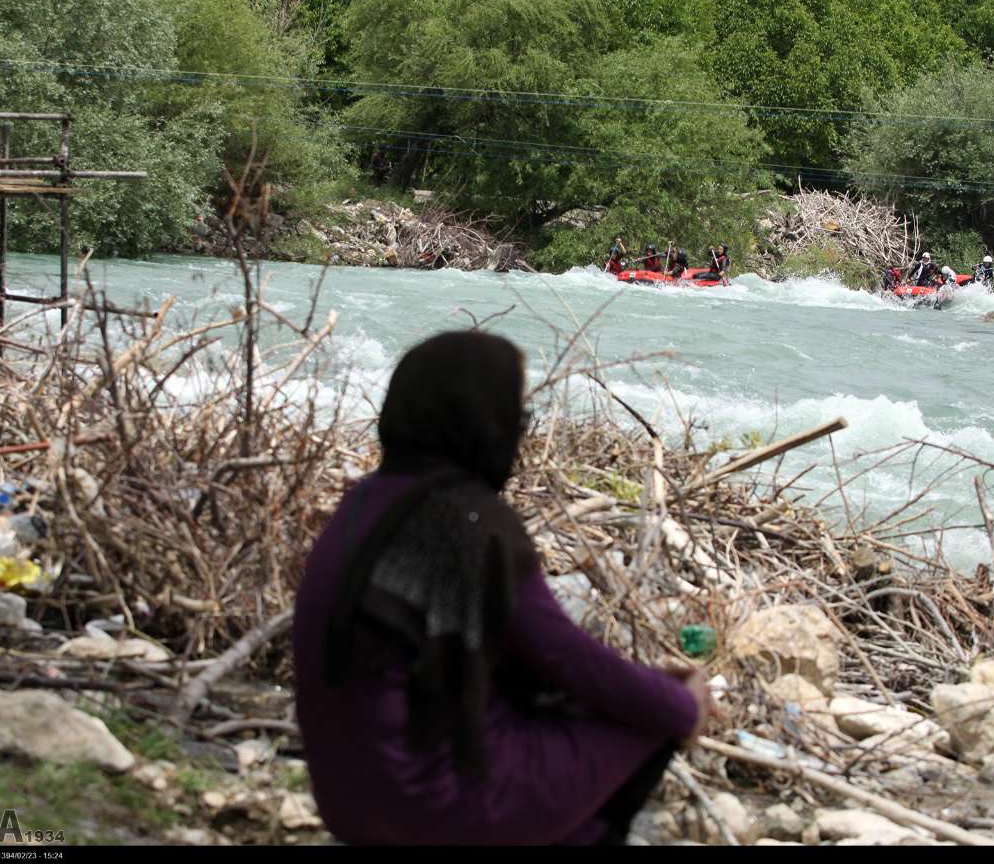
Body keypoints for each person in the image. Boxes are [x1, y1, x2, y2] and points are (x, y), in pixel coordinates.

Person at [293, 331, 715, 845]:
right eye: (516, 419)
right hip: (433, 808)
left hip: (348, 804)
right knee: (653, 719)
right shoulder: (468, 521)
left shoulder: (361, 505)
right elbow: (564, 657)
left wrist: (639, 684)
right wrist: (681, 702)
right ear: (484, 426)